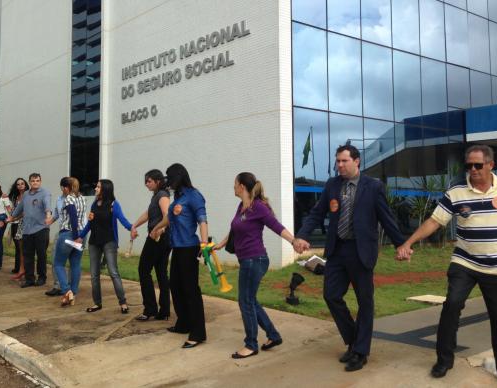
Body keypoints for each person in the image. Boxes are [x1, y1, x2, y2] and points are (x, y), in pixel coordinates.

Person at [396, 145, 497, 388]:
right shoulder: (456, 192)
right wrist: (408, 242)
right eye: (468, 166)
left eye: (477, 165)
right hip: (465, 261)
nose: (472, 170)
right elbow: (435, 221)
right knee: (451, 305)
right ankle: (444, 360)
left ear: (490, 165)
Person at [294, 144, 405, 372]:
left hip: (361, 251)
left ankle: (360, 352)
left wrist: (401, 244)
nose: (340, 165)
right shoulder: (332, 185)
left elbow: (386, 218)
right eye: (338, 161)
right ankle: (355, 340)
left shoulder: (373, 187)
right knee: (331, 295)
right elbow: (317, 212)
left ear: (357, 161)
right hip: (337, 250)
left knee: (365, 301)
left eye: (344, 161)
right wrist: (303, 234)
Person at [214, 172, 294, 359]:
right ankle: (273, 335)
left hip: (254, 259)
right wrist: (221, 243)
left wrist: (293, 241)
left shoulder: (258, 207)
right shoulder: (242, 206)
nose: (233, 187)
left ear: (242, 186)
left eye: (235, 184)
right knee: (251, 300)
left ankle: (251, 344)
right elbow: (234, 229)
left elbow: (276, 226)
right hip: (248, 260)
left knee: (245, 301)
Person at [150, 163, 208, 349]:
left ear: (178, 177)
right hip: (177, 248)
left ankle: (198, 332)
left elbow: (202, 220)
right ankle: (184, 323)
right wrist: (158, 227)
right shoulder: (178, 197)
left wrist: (205, 245)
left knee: (191, 290)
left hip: (189, 249)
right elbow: (169, 217)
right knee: (175, 286)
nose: (168, 182)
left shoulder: (193, 195)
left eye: (169, 178)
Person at [77, 179, 134, 314]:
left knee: (113, 272)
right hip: (94, 242)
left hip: (109, 241)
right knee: (94, 275)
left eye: (98, 187)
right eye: (96, 186)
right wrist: (81, 236)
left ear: (105, 189)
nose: (95, 189)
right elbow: (90, 223)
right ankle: (97, 303)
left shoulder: (114, 205)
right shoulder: (94, 204)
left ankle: (123, 303)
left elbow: (122, 219)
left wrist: (131, 228)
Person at [131, 169, 172, 321]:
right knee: (161, 272)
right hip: (162, 238)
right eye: (145, 181)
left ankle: (150, 309)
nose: (146, 184)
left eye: (149, 181)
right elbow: (148, 214)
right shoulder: (157, 195)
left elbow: (168, 215)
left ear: (157, 181)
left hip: (158, 238)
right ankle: (164, 311)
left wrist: (160, 230)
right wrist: (134, 225)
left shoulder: (162, 196)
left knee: (143, 270)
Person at [8, 173, 52, 288]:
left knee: (41, 255)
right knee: (28, 255)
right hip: (27, 230)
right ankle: (29, 279)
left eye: (37, 180)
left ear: (40, 181)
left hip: (41, 228)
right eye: (33, 181)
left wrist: (48, 216)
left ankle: (42, 277)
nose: (35, 182)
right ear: (30, 182)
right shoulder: (26, 194)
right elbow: (19, 208)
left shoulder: (45, 193)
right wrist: (11, 217)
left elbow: (48, 206)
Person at [54, 177, 86, 307]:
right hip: (82, 234)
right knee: (75, 263)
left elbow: (72, 215)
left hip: (69, 233)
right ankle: (73, 293)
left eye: (62, 188)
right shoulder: (83, 198)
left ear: (66, 188)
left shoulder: (68, 198)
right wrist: (80, 235)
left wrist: (75, 234)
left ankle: (67, 291)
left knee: (58, 264)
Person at [45, 177, 69, 297]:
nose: (66, 189)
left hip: (73, 233)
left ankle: (69, 287)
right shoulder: (59, 199)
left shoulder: (77, 199)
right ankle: (58, 286)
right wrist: (48, 221)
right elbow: (55, 215)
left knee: (73, 261)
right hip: (61, 232)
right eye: (65, 187)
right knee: (55, 259)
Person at [8, 178, 29, 279]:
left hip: (26, 223)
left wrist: (13, 218)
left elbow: (25, 212)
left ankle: (25, 269)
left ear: (25, 185)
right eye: (18, 184)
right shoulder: (16, 197)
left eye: (22, 183)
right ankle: (19, 268)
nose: (20, 185)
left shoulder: (29, 195)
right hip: (16, 223)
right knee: (18, 247)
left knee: (25, 248)